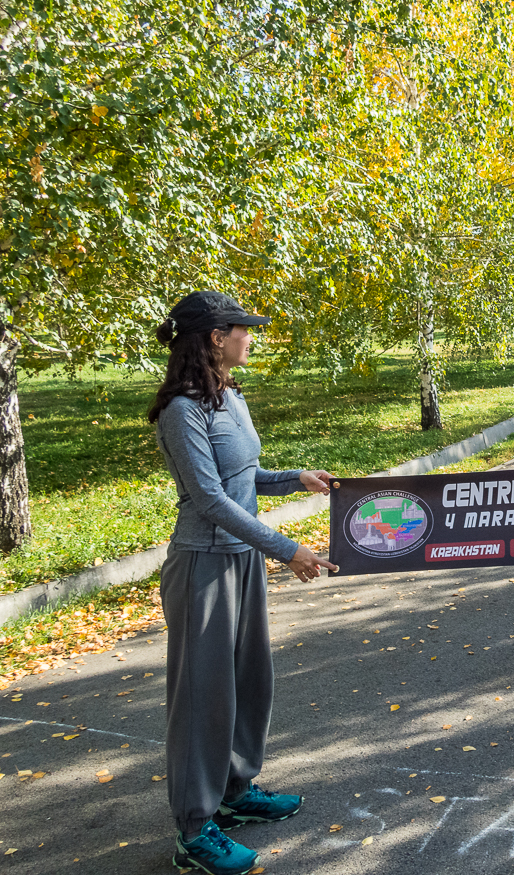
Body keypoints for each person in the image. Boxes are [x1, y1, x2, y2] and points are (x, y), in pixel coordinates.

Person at [148, 291, 339, 875]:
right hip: (204, 566)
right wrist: (287, 550)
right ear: (213, 337)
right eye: (242, 330)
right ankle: (193, 829)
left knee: (249, 681)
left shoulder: (229, 396)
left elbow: (243, 475)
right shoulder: (183, 410)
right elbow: (207, 497)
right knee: (203, 697)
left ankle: (235, 792)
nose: (250, 338)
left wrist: (292, 477)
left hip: (242, 561)